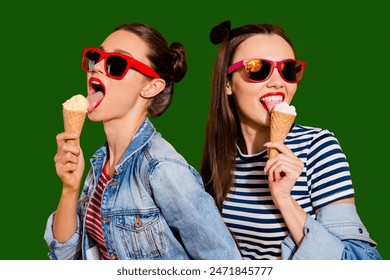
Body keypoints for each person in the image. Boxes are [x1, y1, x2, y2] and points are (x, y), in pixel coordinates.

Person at [44, 22, 241, 260]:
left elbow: (226, 262)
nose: (97, 68)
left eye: (117, 64)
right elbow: (66, 257)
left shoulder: (163, 169)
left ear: (151, 87)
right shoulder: (99, 163)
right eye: (96, 57)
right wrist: (70, 188)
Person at [200, 20, 381, 260]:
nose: (278, 82)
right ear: (227, 83)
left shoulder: (317, 147)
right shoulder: (222, 156)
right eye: (258, 68)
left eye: (288, 69)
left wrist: (285, 200)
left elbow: (361, 263)